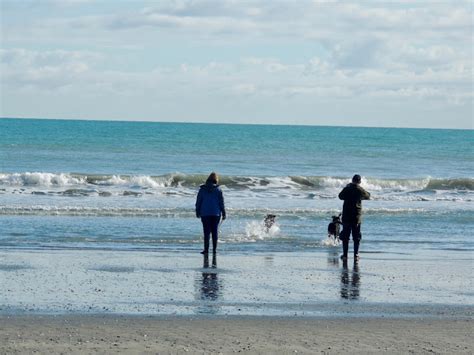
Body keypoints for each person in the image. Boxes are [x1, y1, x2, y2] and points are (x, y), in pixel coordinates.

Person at [338, 174, 370, 261]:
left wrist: (346, 187)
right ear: (359, 181)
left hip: (347, 216)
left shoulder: (347, 188)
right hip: (356, 216)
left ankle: (345, 255)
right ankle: (356, 255)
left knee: (345, 237)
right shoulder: (360, 189)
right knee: (356, 237)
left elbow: (340, 196)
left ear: (352, 180)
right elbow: (368, 196)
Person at [195, 172, 226, 255]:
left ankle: (206, 250)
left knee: (206, 232)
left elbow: (198, 202)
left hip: (205, 213)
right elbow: (221, 202)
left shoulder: (202, 189)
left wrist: (197, 211)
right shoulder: (218, 190)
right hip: (216, 213)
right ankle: (214, 250)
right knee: (215, 232)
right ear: (216, 180)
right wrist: (224, 212)